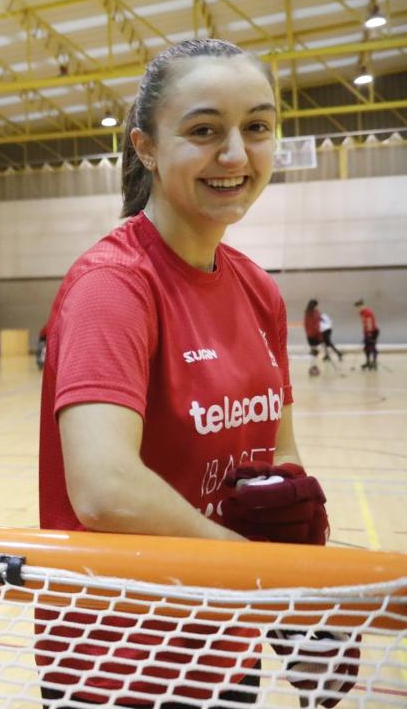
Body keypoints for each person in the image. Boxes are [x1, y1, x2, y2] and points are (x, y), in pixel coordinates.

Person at [37, 39, 355, 708]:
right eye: (205, 131)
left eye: (257, 128)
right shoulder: (114, 285)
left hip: (223, 642)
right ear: (146, 148)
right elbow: (104, 488)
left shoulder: (257, 291)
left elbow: (278, 452)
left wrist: (299, 584)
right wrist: (258, 577)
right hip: (118, 659)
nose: (236, 155)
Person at [356, 299, 379, 370]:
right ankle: (368, 362)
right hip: (367, 332)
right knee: (366, 348)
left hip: (373, 331)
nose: (358, 308)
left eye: (359, 306)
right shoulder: (361, 313)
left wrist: (369, 334)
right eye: (357, 307)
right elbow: (364, 323)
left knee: (372, 347)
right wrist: (365, 333)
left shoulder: (367, 312)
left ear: (363, 306)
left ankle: (374, 363)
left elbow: (369, 323)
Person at [304, 299, 322, 376]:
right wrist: (320, 335)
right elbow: (317, 325)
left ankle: (312, 367)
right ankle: (314, 367)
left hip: (309, 335)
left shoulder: (307, 312)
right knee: (316, 352)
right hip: (315, 335)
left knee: (313, 351)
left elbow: (306, 324)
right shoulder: (316, 313)